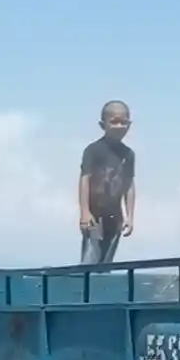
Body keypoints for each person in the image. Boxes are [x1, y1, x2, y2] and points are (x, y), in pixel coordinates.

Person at [79, 101, 136, 264]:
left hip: (115, 216)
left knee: (106, 261)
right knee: (90, 259)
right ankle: (83, 287)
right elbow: (85, 179)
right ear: (102, 125)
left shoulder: (128, 154)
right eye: (114, 122)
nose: (119, 126)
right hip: (94, 215)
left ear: (129, 125)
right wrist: (84, 211)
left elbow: (129, 185)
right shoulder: (93, 150)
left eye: (124, 122)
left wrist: (130, 217)